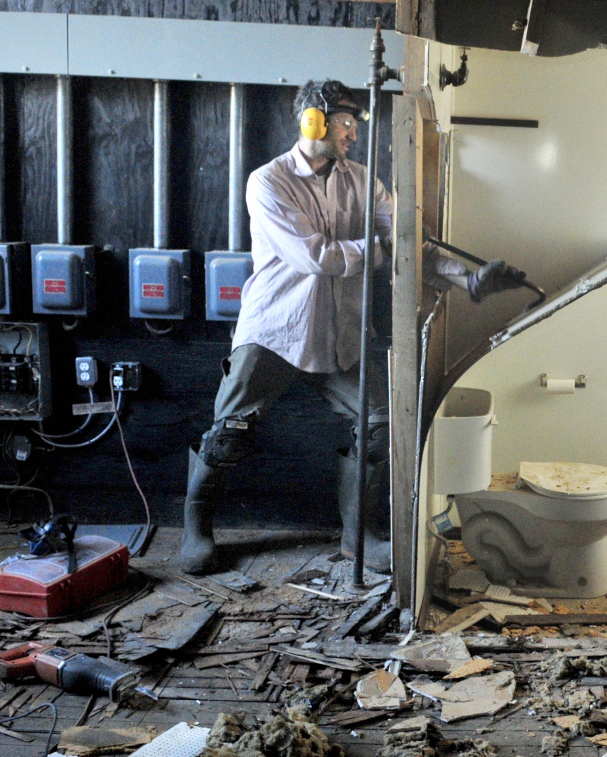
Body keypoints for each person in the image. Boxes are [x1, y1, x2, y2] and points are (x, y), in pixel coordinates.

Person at [179, 79, 526, 575]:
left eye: (354, 125)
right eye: (344, 123)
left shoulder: (365, 182)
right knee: (230, 432)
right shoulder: (269, 182)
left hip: (339, 332)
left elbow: (415, 243)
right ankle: (195, 529)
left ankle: (356, 536)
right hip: (276, 331)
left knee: (381, 424)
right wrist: (388, 248)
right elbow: (315, 256)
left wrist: (471, 279)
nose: (352, 135)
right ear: (312, 122)